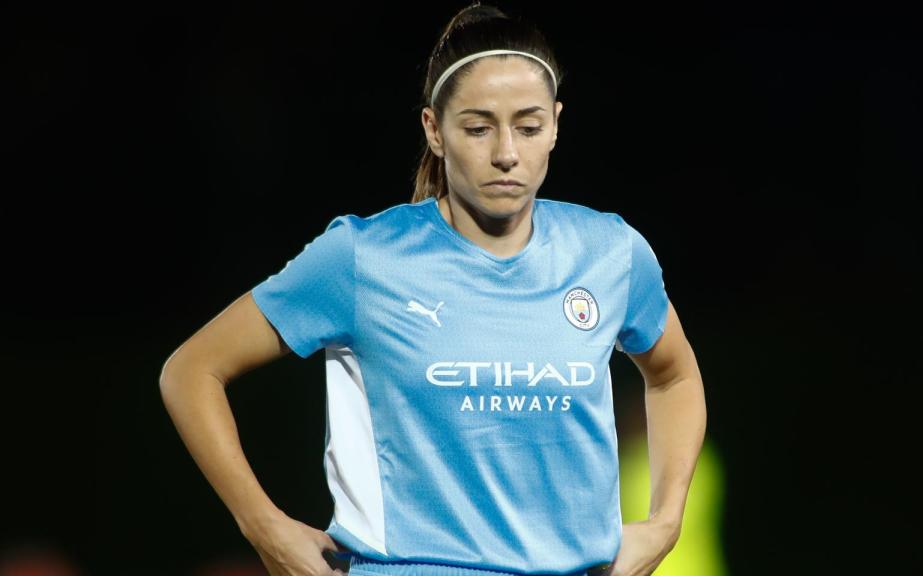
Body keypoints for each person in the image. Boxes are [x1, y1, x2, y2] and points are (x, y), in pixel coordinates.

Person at [159, 3, 707, 576]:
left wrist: (667, 523)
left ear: (556, 126)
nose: (506, 153)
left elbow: (675, 374)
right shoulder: (365, 258)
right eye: (477, 127)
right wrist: (264, 527)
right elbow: (191, 370)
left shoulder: (608, 253)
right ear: (434, 130)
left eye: (528, 126)